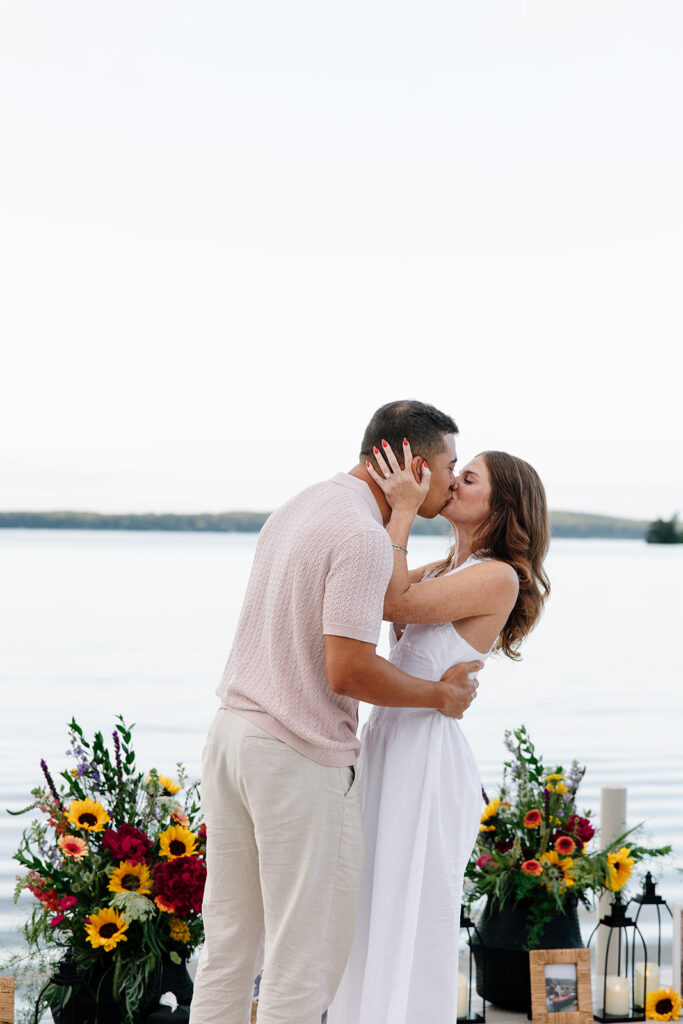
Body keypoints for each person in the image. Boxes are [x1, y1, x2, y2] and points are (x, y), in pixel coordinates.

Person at [189, 401, 484, 1024]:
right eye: (449, 464)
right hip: (296, 755)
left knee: (230, 950)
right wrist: (439, 695)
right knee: (305, 962)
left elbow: (368, 604)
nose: (450, 480)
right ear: (413, 462)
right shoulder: (362, 535)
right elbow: (346, 670)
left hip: (232, 735)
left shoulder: (307, 503)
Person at [327, 443, 550, 1024]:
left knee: (410, 905)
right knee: (368, 901)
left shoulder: (496, 576)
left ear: (500, 506)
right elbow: (377, 603)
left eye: (467, 479)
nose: (452, 483)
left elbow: (391, 597)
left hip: (425, 754)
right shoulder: (447, 568)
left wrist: (401, 511)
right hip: (388, 740)